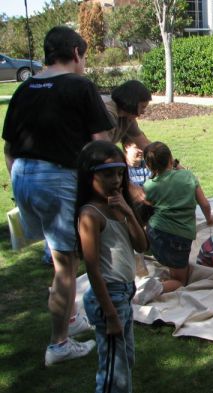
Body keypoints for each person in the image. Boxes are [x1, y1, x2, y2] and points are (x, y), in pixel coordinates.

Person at [2, 26, 113, 366]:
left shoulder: (25, 87)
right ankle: (58, 344)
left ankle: (70, 317)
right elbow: (102, 142)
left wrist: (21, 186)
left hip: (21, 174)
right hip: (56, 179)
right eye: (84, 56)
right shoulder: (80, 86)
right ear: (77, 53)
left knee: (57, 252)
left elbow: (8, 147)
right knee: (66, 265)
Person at [75, 141, 148, 393]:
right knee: (113, 374)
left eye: (119, 173)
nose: (116, 180)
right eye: (107, 174)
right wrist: (110, 313)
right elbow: (93, 269)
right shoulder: (90, 214)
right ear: (89, 175)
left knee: (126, 360)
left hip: (125, 293)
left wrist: (128, 211)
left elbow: (142, 245)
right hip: (109, 296)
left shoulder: (118, 208)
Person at [143, 141, 213, 293]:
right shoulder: (187, 176)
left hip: (155, 234)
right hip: (179, 237)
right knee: (180, 281)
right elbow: (205, 204)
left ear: (148, 166)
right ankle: (158, 288)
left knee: (173, 263)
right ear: (171, 159)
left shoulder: (149, 186)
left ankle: (170, 273)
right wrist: (209, 218)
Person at [103, 80, 152, 150]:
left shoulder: (127, 116)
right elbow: (102, 149)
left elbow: (144, 144)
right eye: (142, 107)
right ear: (132, 103)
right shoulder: (108, 112)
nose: (143, 112)